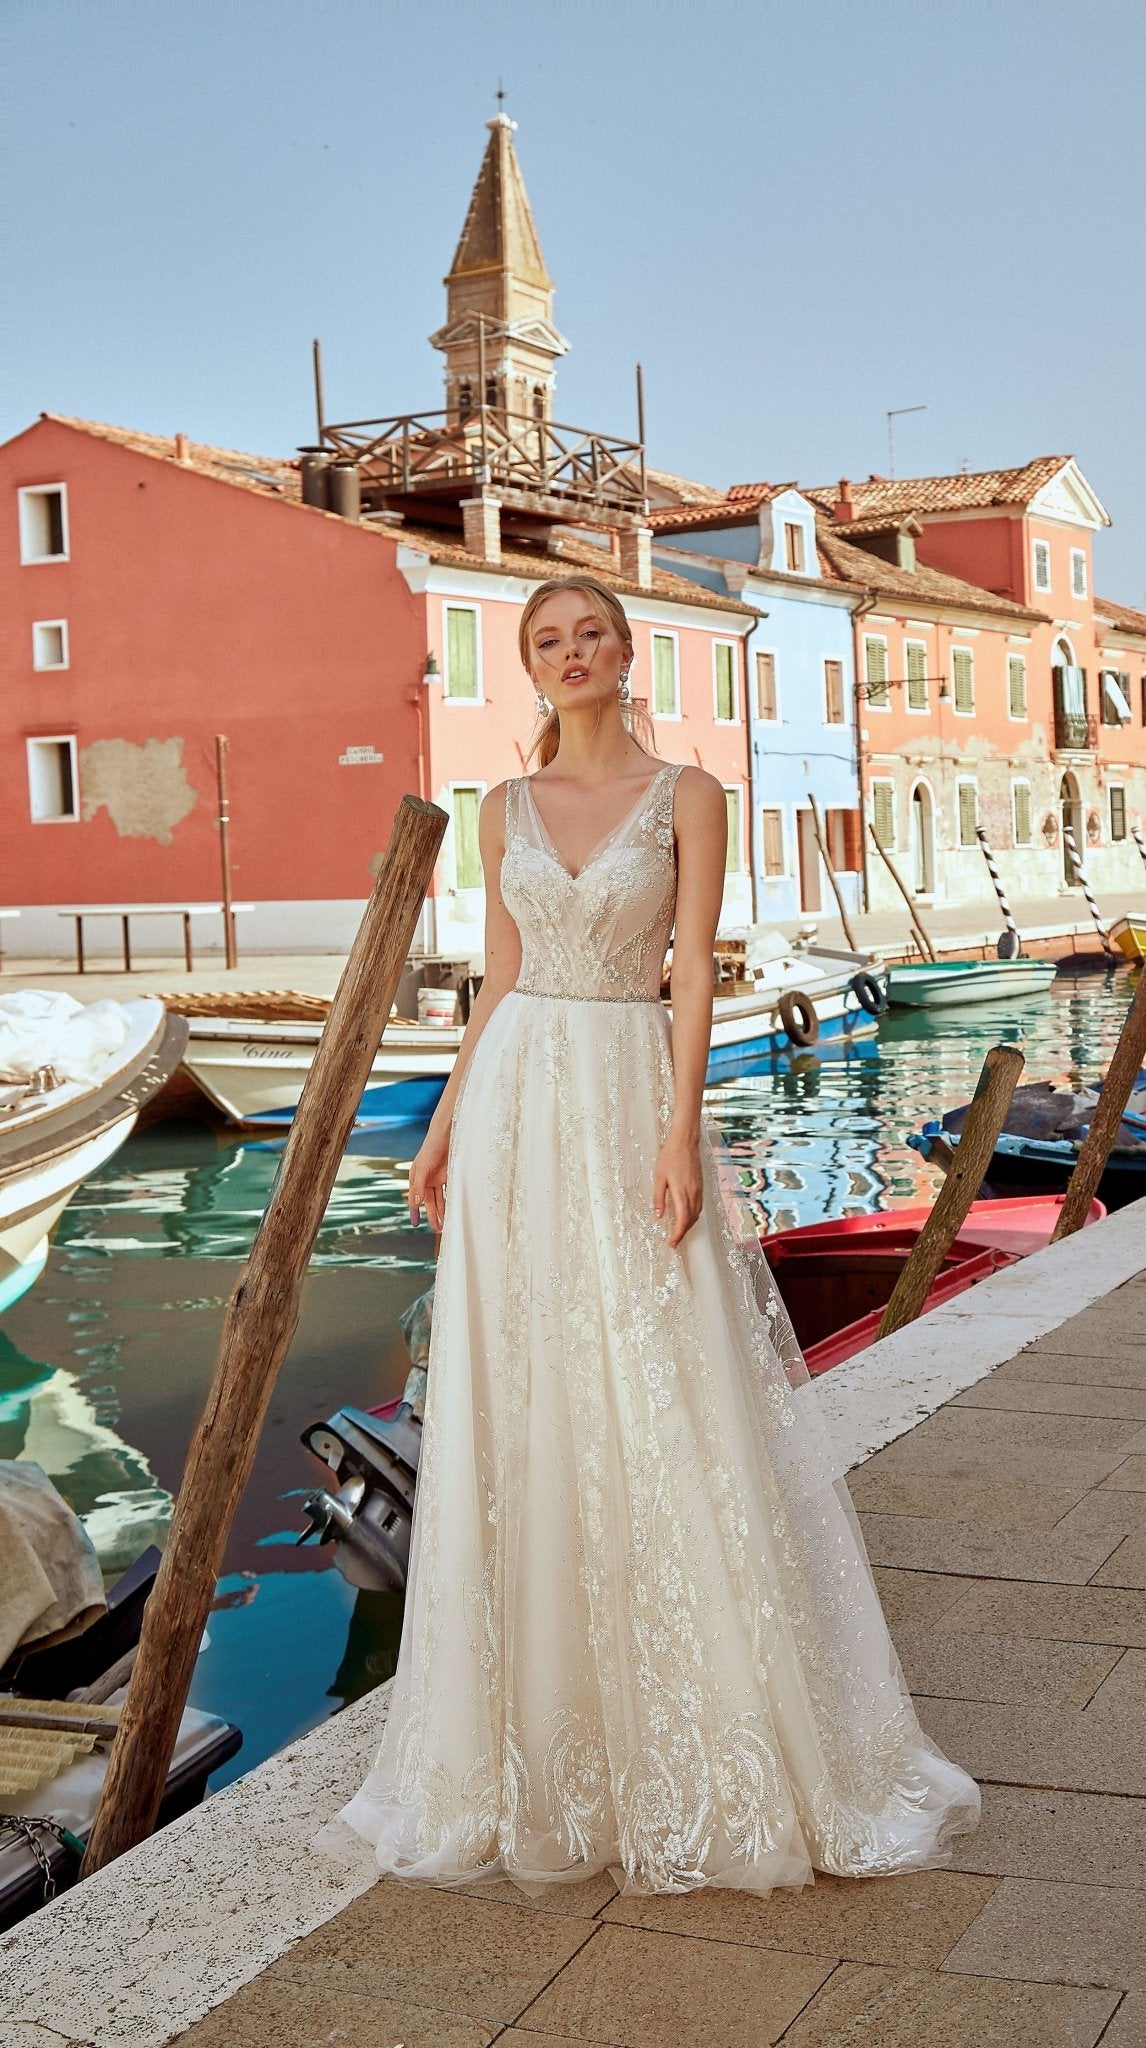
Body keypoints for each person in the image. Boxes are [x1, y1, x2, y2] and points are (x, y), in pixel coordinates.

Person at [316, 573, 979, 1896]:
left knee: (655, 1381)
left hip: (623, 1086)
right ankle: (536, 1744)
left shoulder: (688, 796)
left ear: (628, 654)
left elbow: (687, 975)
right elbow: (496, 980)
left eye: (593, 635)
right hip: (513, 1101)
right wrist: (444, 1127)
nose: (572, 655)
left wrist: (678, 1136)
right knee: (526, 1397)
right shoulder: (498, 808)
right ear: (530, 665)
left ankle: (706, 1728)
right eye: (547, 641)